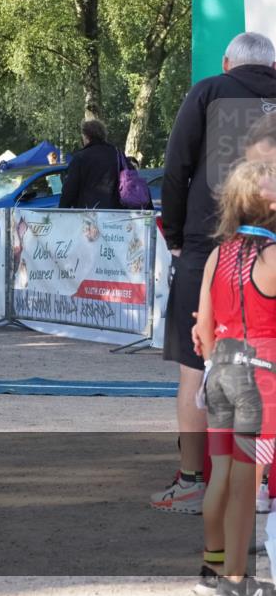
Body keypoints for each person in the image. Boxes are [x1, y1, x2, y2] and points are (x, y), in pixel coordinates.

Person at [156, 32, 276, 515]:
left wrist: (179, 237)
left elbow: (176, 167)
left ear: (228, 62)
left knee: (195, 366)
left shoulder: (208, 90)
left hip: (210, 248)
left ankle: (191, 481)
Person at [191, 160, 276, 596]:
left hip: (220, 373)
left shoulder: (216, 255)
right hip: (260, 383)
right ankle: (237, 581)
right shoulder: (272, 256)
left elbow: (202, 333)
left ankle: (214, 569)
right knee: (248, 485)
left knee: (221, 476)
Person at [58, 120, 121, 209]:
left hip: (88, 212)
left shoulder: (80, 157)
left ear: (86, 136)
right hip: (117, 212)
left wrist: (62, 209)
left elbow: (70, 189)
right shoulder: (117, 154)